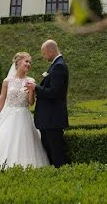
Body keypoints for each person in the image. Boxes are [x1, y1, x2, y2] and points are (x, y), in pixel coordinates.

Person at [27, 39, 69, 167]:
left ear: (51, 51)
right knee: (49, 148)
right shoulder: (56, 65)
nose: (44, 56)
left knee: (56, 151)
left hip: (53, 119)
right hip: (49, 119)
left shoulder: (59, 66)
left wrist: (36, 88)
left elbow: (54, 92)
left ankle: (61, 174)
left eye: (44, 54)